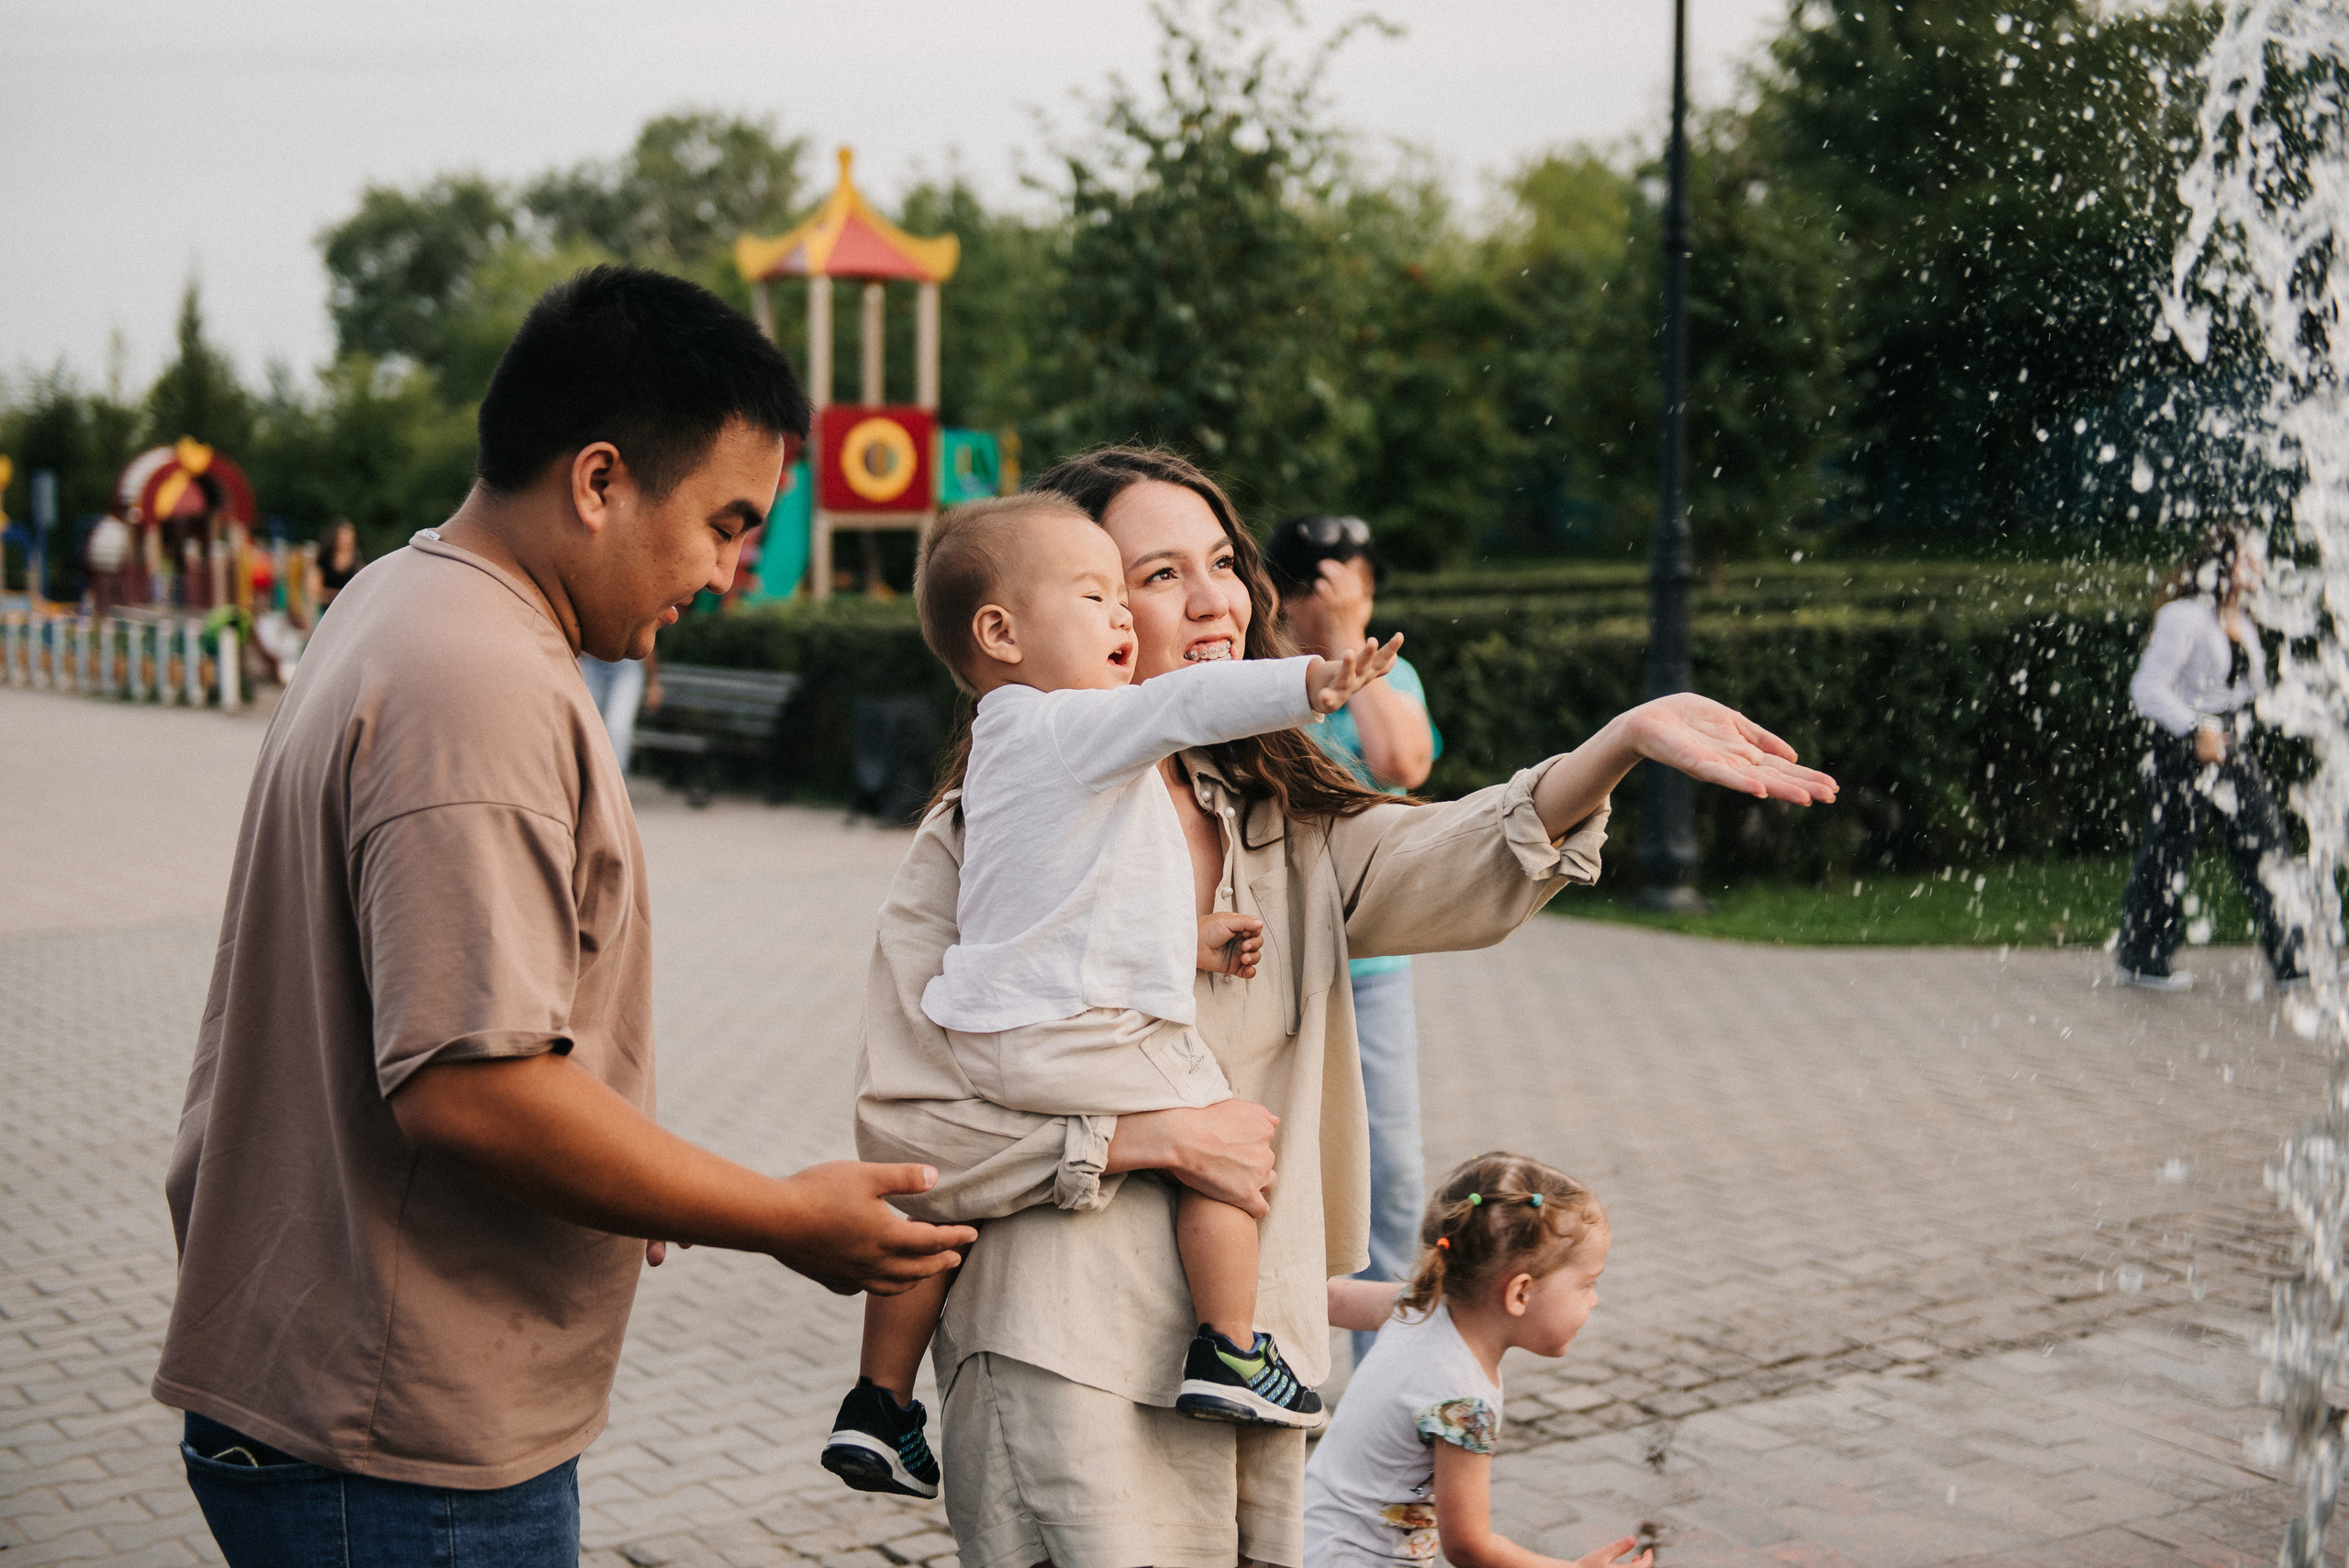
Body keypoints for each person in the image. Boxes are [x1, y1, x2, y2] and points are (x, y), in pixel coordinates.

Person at [852, 444, 1836, 1568]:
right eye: (1158, 574)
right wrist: (1151, 1137)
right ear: (1039, 617)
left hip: (1251, 1356)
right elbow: (912, 1136)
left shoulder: (1279, 820)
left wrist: (1618, 743)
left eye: (1223, 562)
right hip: (1062, 1349)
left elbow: (1455, 852)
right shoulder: (976, 842)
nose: (1217, 599)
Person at [150, 264, 974, 1568]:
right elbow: (470, 1089)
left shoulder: (398, 596)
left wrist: (621, 1166)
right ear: (599, 481)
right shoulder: (480, 680)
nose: (729, 572)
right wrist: (779, 1213)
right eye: (724, 523)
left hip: (335, 1382)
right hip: (396, 1440)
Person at [821, 497, 1402, 1497]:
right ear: (1000, 632)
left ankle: (879, 1403)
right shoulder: (1076, 722)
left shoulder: (1003, 750)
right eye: (1096, 595)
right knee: (1226, 1138)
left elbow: (1063, 915)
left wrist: (1185, 939)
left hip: (990, 1031)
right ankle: (1229, 1347)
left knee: (943, 1202)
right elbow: (1186, 703)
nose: (1123, 615)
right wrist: (1312, 682)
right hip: (1078, 1038)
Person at [1266, 514, 1441, 1369]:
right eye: (1335, 591)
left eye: (1363, 588)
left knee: (1391, 1173)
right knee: (1268, 1173)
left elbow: (1404, 764)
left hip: (1368, 965)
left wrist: (1347, 647)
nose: (1356, 605)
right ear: (1285, 596)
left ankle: (1384, 1377)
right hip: (1266, 964)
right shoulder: (1260, 677)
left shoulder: (1392, 674)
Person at [1306, 1152, 1650, 1568]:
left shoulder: (1416, 1306)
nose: (1594, 1300)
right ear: (1520, 1293)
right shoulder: (1465, 1402)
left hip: (1309, 1536)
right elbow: (1469, 1546)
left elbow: (1329, 1299)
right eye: (1587, 1284)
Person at [2116, 527, 2305, 991]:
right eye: (2248, 559)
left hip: (2227, 744)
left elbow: (2245, 693)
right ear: (2222, 564)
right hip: (2181, 746)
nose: (2258, 567)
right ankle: (2142, 958)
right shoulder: (2185, 616)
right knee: (2169, 850)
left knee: (2266, 845)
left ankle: (2295, 960)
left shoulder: (2244, 619)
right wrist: (2194, 728)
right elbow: (2146, 688)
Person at [580, 647, 661, 773]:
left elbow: (646, 643)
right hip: (593, 664)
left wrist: (652, 683)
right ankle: (582, 777)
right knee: (584, 727)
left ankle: (616, 779)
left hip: (627, 667)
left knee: (617, 729)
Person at [314, 518, 364, 608]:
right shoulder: (324, 558)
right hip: (327, 608)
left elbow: (362, 584)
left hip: (349, 607)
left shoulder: (356, 559)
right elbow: (315, 591)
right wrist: (342, 596)